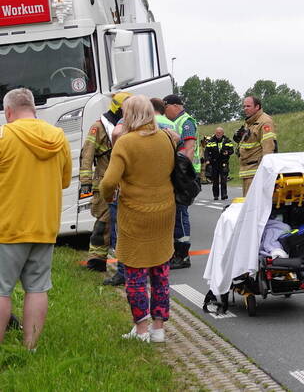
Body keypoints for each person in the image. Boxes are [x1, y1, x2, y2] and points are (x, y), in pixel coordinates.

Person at [99, 95, 176, 343]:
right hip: (165, 211)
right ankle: (159, 328)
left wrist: (109, 196)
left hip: (136, 214)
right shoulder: (165, 139)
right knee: (160, 271)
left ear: (130, 115)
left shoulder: (126, 143)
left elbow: (109, 182)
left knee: (134, 272)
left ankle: (141, 330)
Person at [0, 88, 72, 351]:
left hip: (7, 226)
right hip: (44, 226)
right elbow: (64, 181)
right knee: (37, 288)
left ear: (9, 111)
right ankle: (30, 347)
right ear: (33, 108)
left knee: (1, 290)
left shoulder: (3, 135)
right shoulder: (58, 136)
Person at [79, 91, 130, 272]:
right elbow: (87, 155)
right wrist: (85, 181)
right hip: (103, 181)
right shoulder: (99, 127)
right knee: (104, 220)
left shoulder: (127, 126)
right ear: (119, 108)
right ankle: (96, 260)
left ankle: (121, 261)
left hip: (124, 182)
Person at [163, 94, 198, 270]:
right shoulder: (173, 122)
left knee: (181, 213)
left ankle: (183, 255)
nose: (164, 110)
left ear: (176, 105)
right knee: (176, 214)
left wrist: (183, 174)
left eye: (166, 106)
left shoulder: (186, 122)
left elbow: (189, 149)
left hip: (184, 174)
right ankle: (177, 252)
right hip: (177, 172)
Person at [233, 96, 277, 196]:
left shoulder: (265, 122)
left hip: (256, 173)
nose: (245, 108)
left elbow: (268, 148)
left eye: (248, 106)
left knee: (253, 208)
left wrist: (265, 172)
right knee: (248, 206)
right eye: (244, 106)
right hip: (247, 172)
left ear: (257, 107)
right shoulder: (249, 122)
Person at [203, 127, 234, 201]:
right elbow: (206, 152)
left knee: (224, 179)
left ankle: (224, 195)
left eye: (220, 133)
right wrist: (207, 160)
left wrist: (228, 152)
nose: (218, 134)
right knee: (215, 180)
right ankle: (216, 195)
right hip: (214, 162)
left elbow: (231, 150)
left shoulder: (227, 140)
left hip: (224, 162)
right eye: (217, 133)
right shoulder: (211, 141)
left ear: (223, 133)